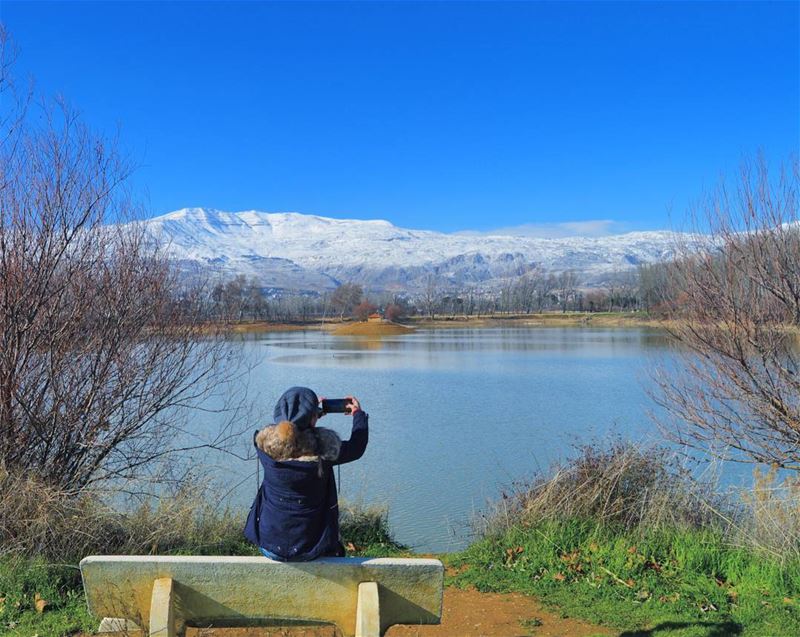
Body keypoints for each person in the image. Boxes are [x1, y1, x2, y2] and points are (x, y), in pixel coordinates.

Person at [243, 386, 369, 561]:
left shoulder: (265, 447)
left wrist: (306, 418)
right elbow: (357, 447)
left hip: (270, 546)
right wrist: (358, 414)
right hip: (311, 548)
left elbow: (283, 431)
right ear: (312, 419)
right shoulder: (324, 451)